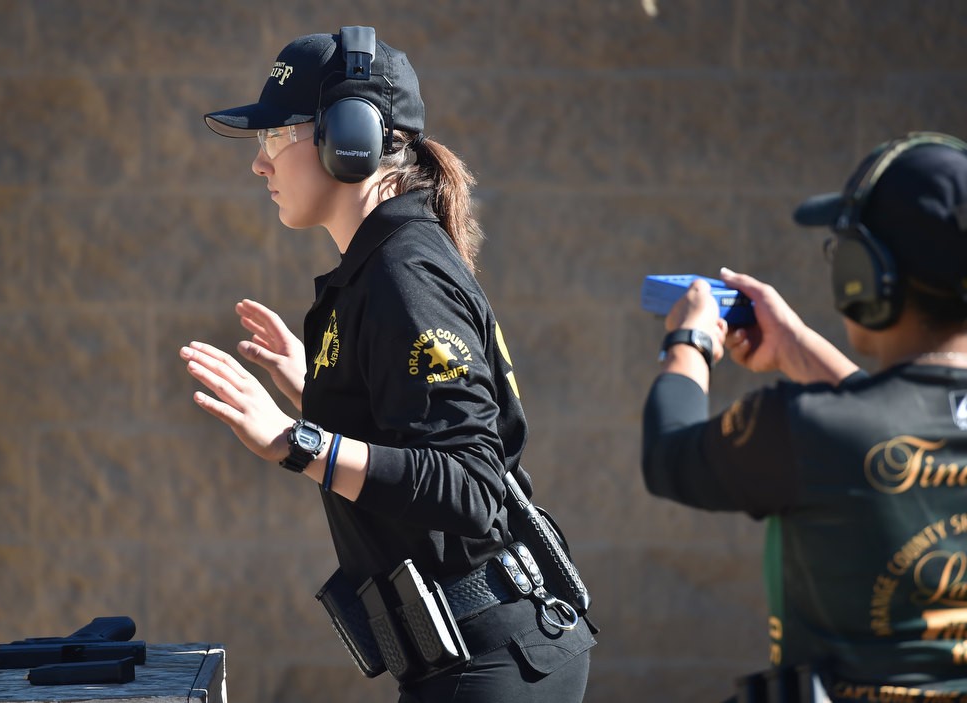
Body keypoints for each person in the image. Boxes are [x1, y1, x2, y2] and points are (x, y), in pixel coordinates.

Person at [178, 26, 595, 702]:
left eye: (274, 137)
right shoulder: (381, 268)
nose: (259, 164)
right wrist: (318, 387)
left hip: (492, 664)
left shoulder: (405, 274)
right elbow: (409, 432)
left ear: (350, 138)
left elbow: (469, 487)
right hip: (470, 660)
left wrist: (294, 440)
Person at [641, 131, 967, 701]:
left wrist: (689, 341)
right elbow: (900, 420)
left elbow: (668, 455)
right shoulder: (837, 425)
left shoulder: (803, 427)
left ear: (864, 274)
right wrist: (795, 349)